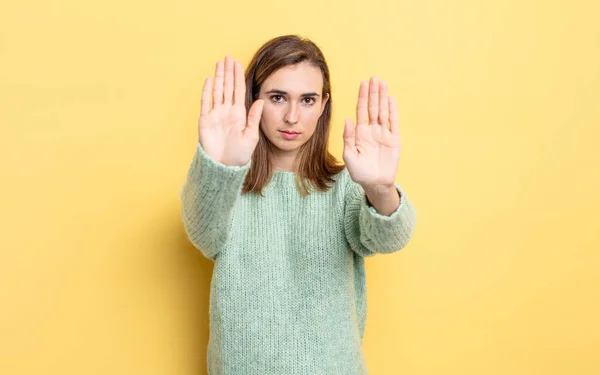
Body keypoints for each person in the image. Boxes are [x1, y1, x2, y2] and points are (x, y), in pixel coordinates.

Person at [180, 35, 416, 375]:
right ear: (254, 99)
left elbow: (389, 238)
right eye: (278, 97)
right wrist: (223, 169)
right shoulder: (225, 183)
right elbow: (203, 233)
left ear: (323, 105)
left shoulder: (345, 186)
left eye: (307, 100)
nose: (292, 117)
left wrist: (380, 188)